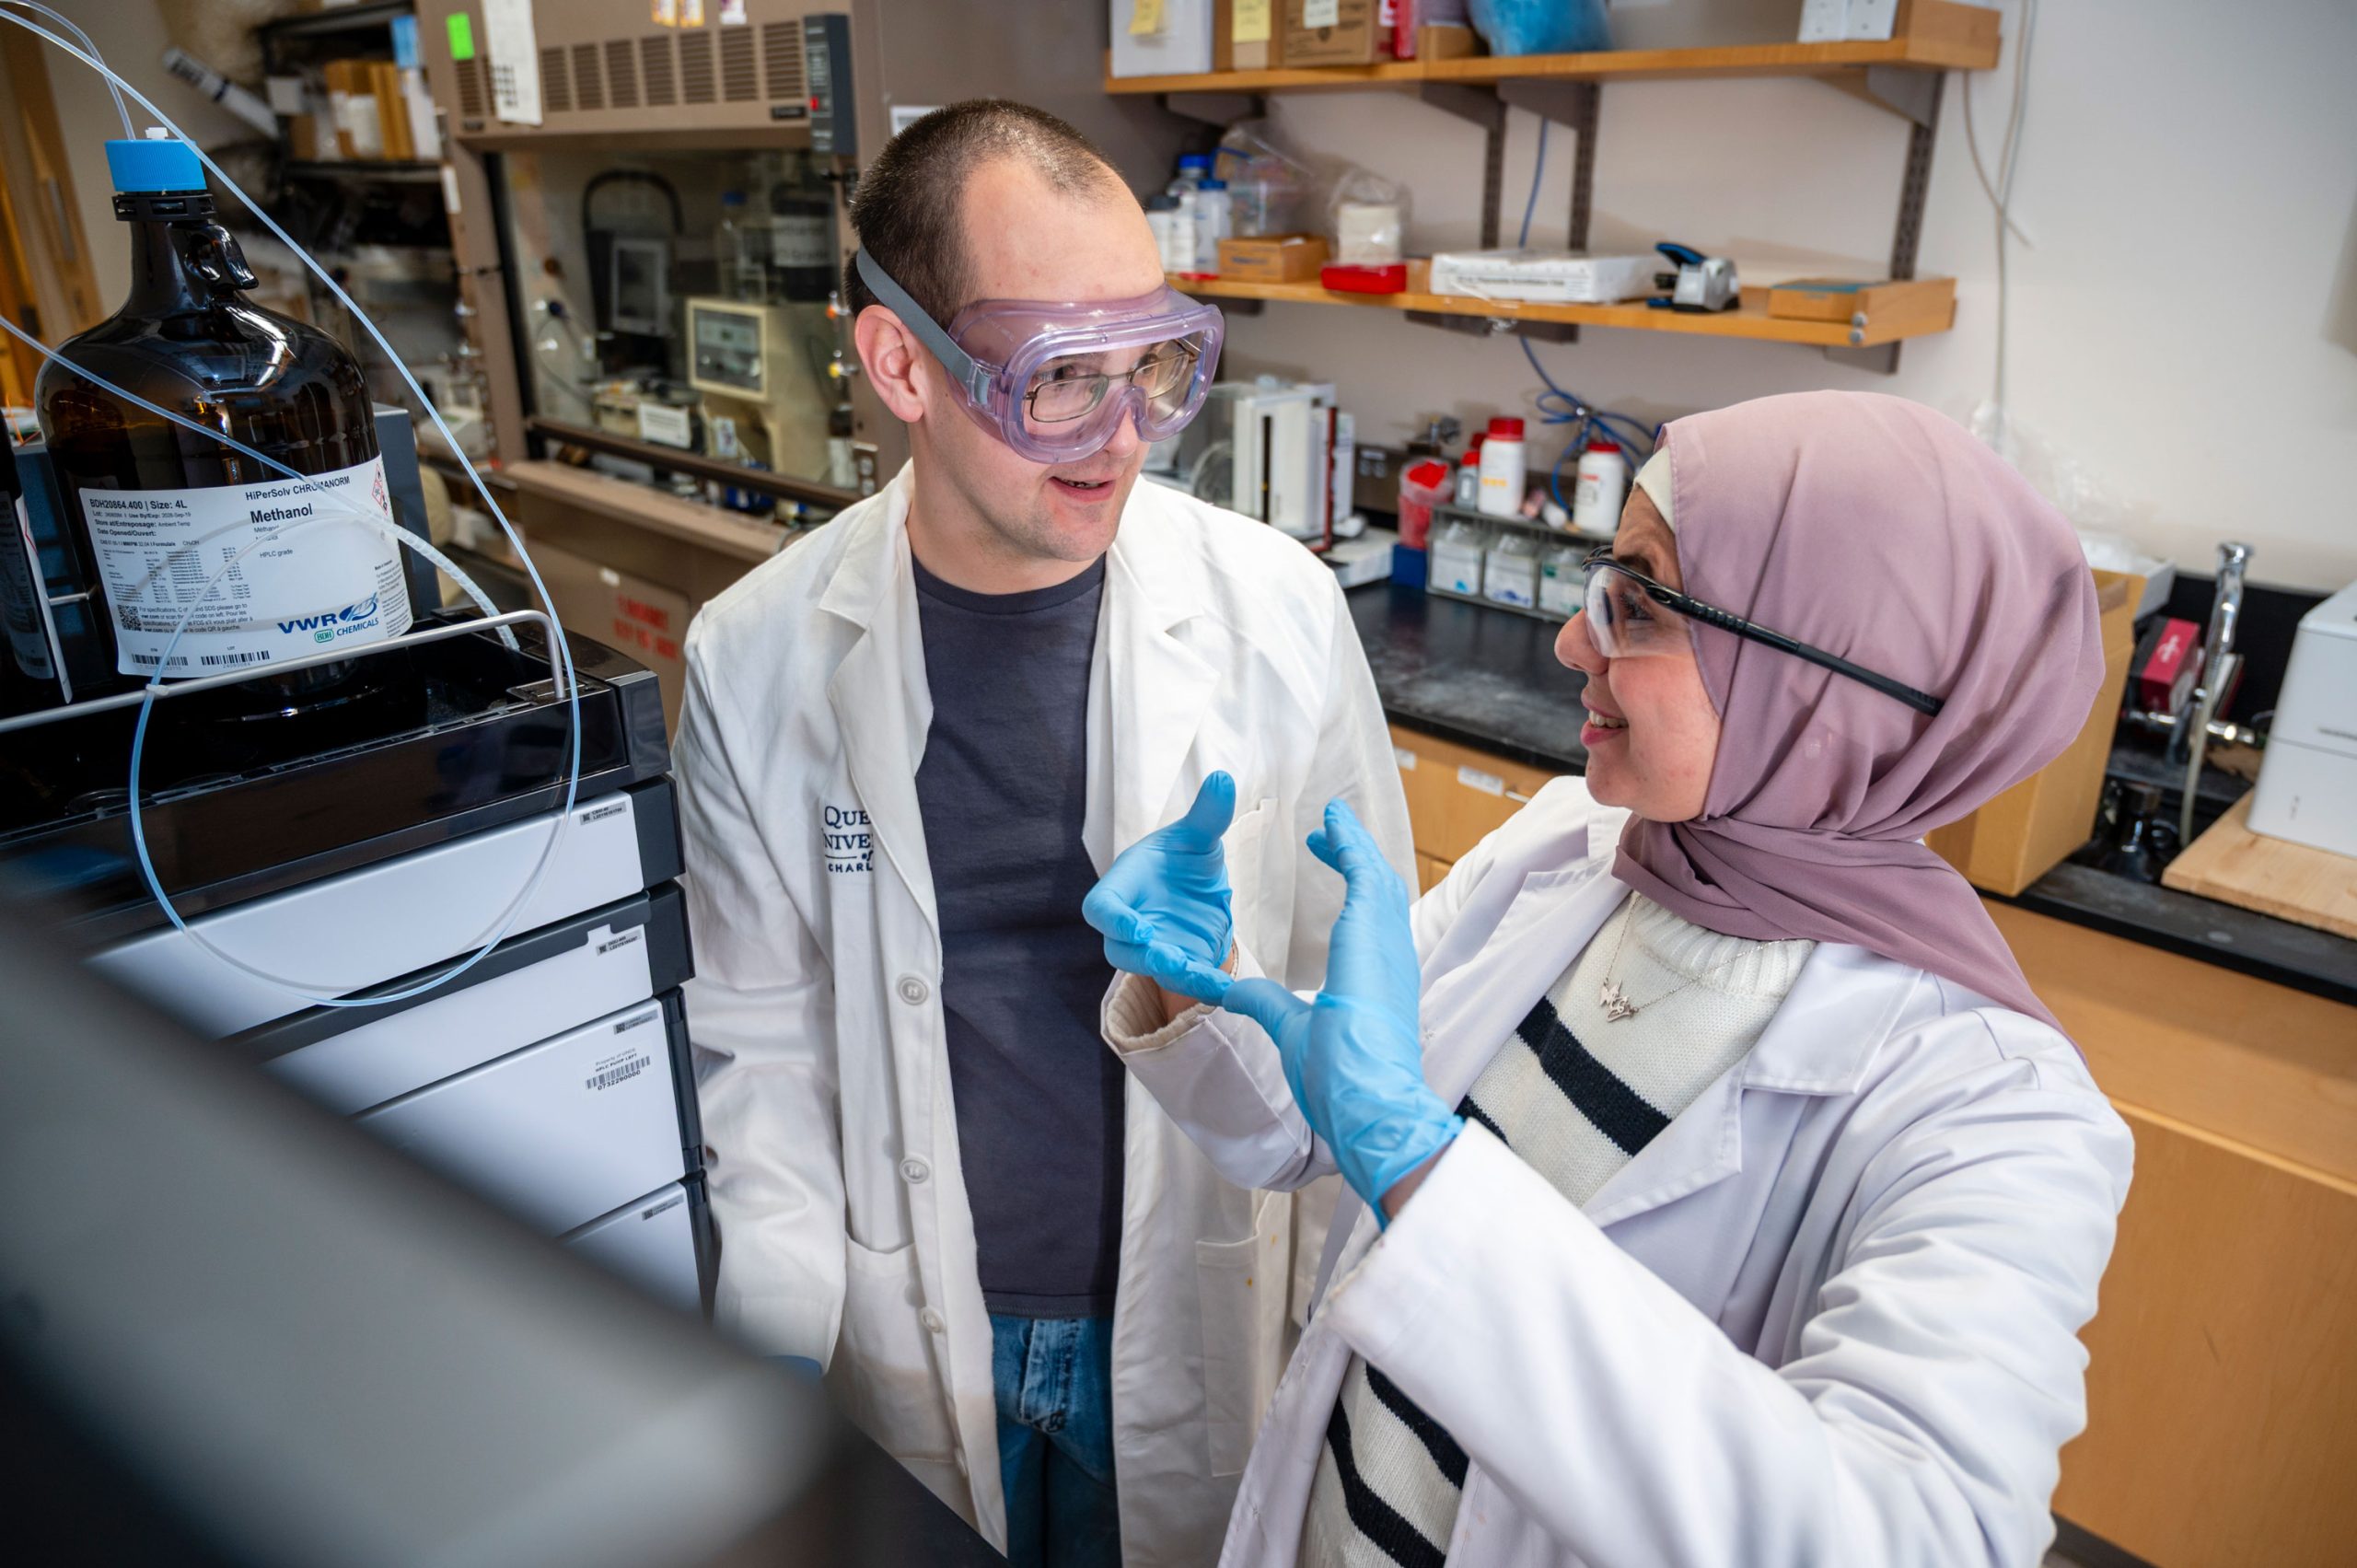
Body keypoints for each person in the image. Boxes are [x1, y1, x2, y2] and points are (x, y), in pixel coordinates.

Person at [1085, 390, 2136, 1567]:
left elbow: (1907, 1537)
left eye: (1636, 604)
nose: (1573, 641)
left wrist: (1423, 1166)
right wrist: (1201, 983)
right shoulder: (1568, 849)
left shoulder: (1997, 1115)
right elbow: (1308, 1129)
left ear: (1824, 679)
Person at [673, 100, 1411, 1567]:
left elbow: (1369, 1004)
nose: (1125, 433)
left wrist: (1369, 1349)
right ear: (901, 363)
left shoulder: (1277, 610)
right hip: (918, 1321)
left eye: (1155, 364)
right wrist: (754, 1389)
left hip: (1203, 1302)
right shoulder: (752, 654)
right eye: (1059, 377)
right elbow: (761, 1056)